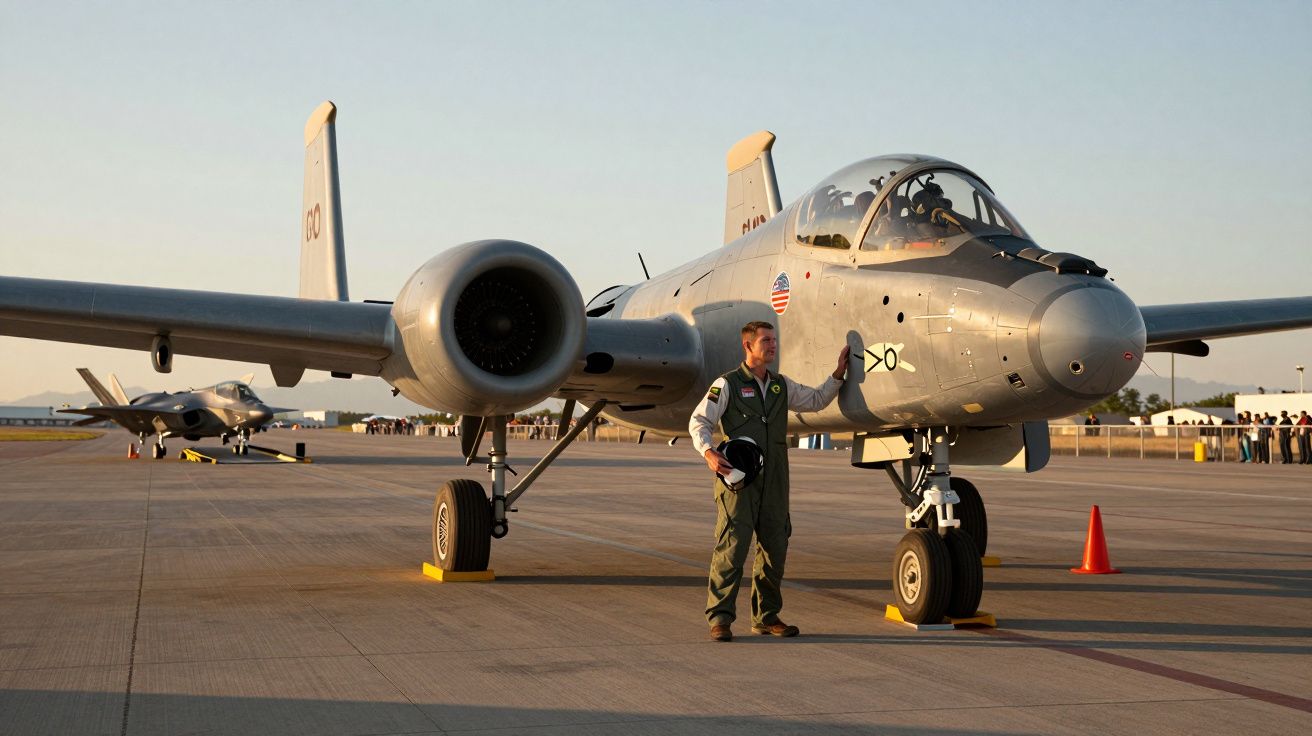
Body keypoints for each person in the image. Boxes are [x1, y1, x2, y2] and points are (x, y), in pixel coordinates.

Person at [688, 321, 849, 642]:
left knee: (775, 547)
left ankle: (766, 616)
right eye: (765, 340)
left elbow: (815, 400)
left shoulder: (780, 385)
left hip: (776, 478)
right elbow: (699, 420)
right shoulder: (727, 384)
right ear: (748, 346)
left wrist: (838, 375)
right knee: (732, 548)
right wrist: (708, 452)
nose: (772, 345)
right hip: (739, 479)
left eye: (774, 340)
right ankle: (720, 618)